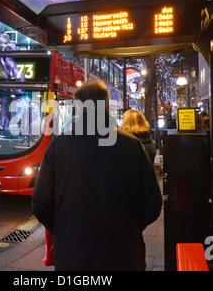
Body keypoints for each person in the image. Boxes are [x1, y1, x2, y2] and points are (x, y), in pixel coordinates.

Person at [31, 78, 162, 271]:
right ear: (107, 107)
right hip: (122, 254)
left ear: (79, 108)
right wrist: (128, 229)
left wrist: (65, 229)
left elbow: (41, 205)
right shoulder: (133, 145)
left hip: (72, 253)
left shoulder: (58, 147)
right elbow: (152, 205)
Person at [119, 108, 157, 270]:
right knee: (137, 235)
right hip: (143, 194)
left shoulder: (128, 145)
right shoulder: (150, 142)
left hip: (127, 195)